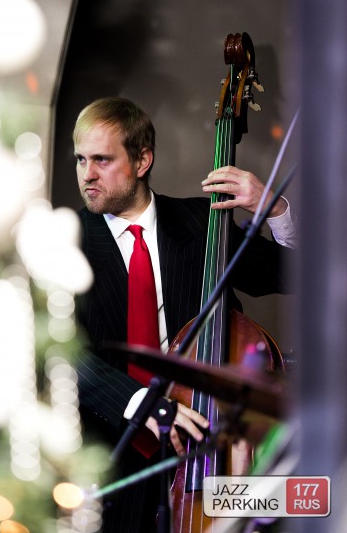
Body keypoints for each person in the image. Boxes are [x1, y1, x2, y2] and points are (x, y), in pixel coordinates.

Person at [73, 97, 296, 532]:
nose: (87, 174)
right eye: (81, 159)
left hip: (206, 454)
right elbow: (64, 354)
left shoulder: (201, 222)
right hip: (109, 459)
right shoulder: (65, 239)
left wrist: (275, 208)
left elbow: (299, 277)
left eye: (102, 159)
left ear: (142, 159)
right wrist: (148, 406)